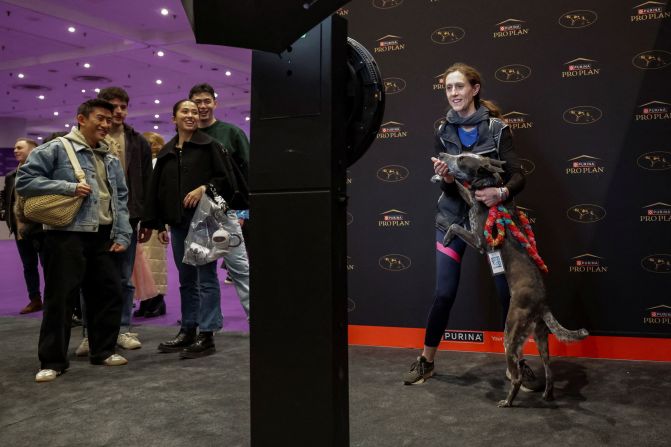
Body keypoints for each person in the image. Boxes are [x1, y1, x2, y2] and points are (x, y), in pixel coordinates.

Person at [402, 63, 542, 392]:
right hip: (452, 219)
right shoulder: (443, 130)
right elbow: (448, 189)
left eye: (459, 87)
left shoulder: (496, 128)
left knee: (504, 293)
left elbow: (519, 174)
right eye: (448, 88)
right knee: (444, 293)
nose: (453, 93)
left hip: (492, 220)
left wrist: (502, 192)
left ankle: (515, 363)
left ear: (474, 89)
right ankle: (427, 360)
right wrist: (448, 179)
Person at [16, 99, 133, 382]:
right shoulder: (56, 148)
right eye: (100, 119)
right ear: (82, 119)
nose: (106, 124)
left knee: (108, 293)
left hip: (103, 235)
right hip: (65, 235)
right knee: (61, 298)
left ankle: (102, 351)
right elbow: (24, 181)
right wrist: (67, 186)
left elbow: (120, 198)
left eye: (109, 120)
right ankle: (53, 361)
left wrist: (123, 232)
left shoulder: (111, 157)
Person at [143, 99, 237, 359]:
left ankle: (207, 334)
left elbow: (227, 180)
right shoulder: (167, 152)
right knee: (186, 281)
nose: (191, 115)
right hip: (177, 223)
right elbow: (158, 190)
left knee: (206, 280)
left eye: (194, 112)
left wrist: (204, 188)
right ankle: (188, 329)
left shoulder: (210, 146)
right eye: (185, 111)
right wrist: (158, 222)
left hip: (205, 222)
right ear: (174, 118)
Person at [76, 87, 152, 353]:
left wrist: (147, 220)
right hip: (91, 219)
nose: (118, 112)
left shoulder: (138, 141)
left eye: (123, 107)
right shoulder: (85, 140)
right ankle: (89, 333)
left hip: (128, 218)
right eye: (113, 106)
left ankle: (121, 329)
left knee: (124, 278)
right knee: (89, 279)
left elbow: (146, 183)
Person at [189, 83, 250, 318]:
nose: (202, 106)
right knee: (203, 275)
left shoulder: (231, 133)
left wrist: (243, 211)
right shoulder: (188, 136)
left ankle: (257, 318)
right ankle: (208, 325)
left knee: (240, 268)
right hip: (197, 213)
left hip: (226, 209)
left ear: (215, 103)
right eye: (197, 102)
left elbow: (246, 171)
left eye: (206, 101)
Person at [1, 138, 45, 314]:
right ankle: (35, 300)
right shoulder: (11, 175)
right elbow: (4, 196)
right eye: (14, 147)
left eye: (19, 147)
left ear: (32, 151)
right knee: (29, 266)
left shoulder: (43, 172)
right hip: (20, 230)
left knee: (48, 266)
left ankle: (53, 300)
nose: (15, 150)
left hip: (40, 230)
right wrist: (4, 212)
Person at [133, 131, 168, 318]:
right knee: (143, 261)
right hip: (143, 216)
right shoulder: (145, 165)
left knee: (154, 260)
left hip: (155, 217)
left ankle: (157, 300)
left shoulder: (157, 164)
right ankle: (147, 300)